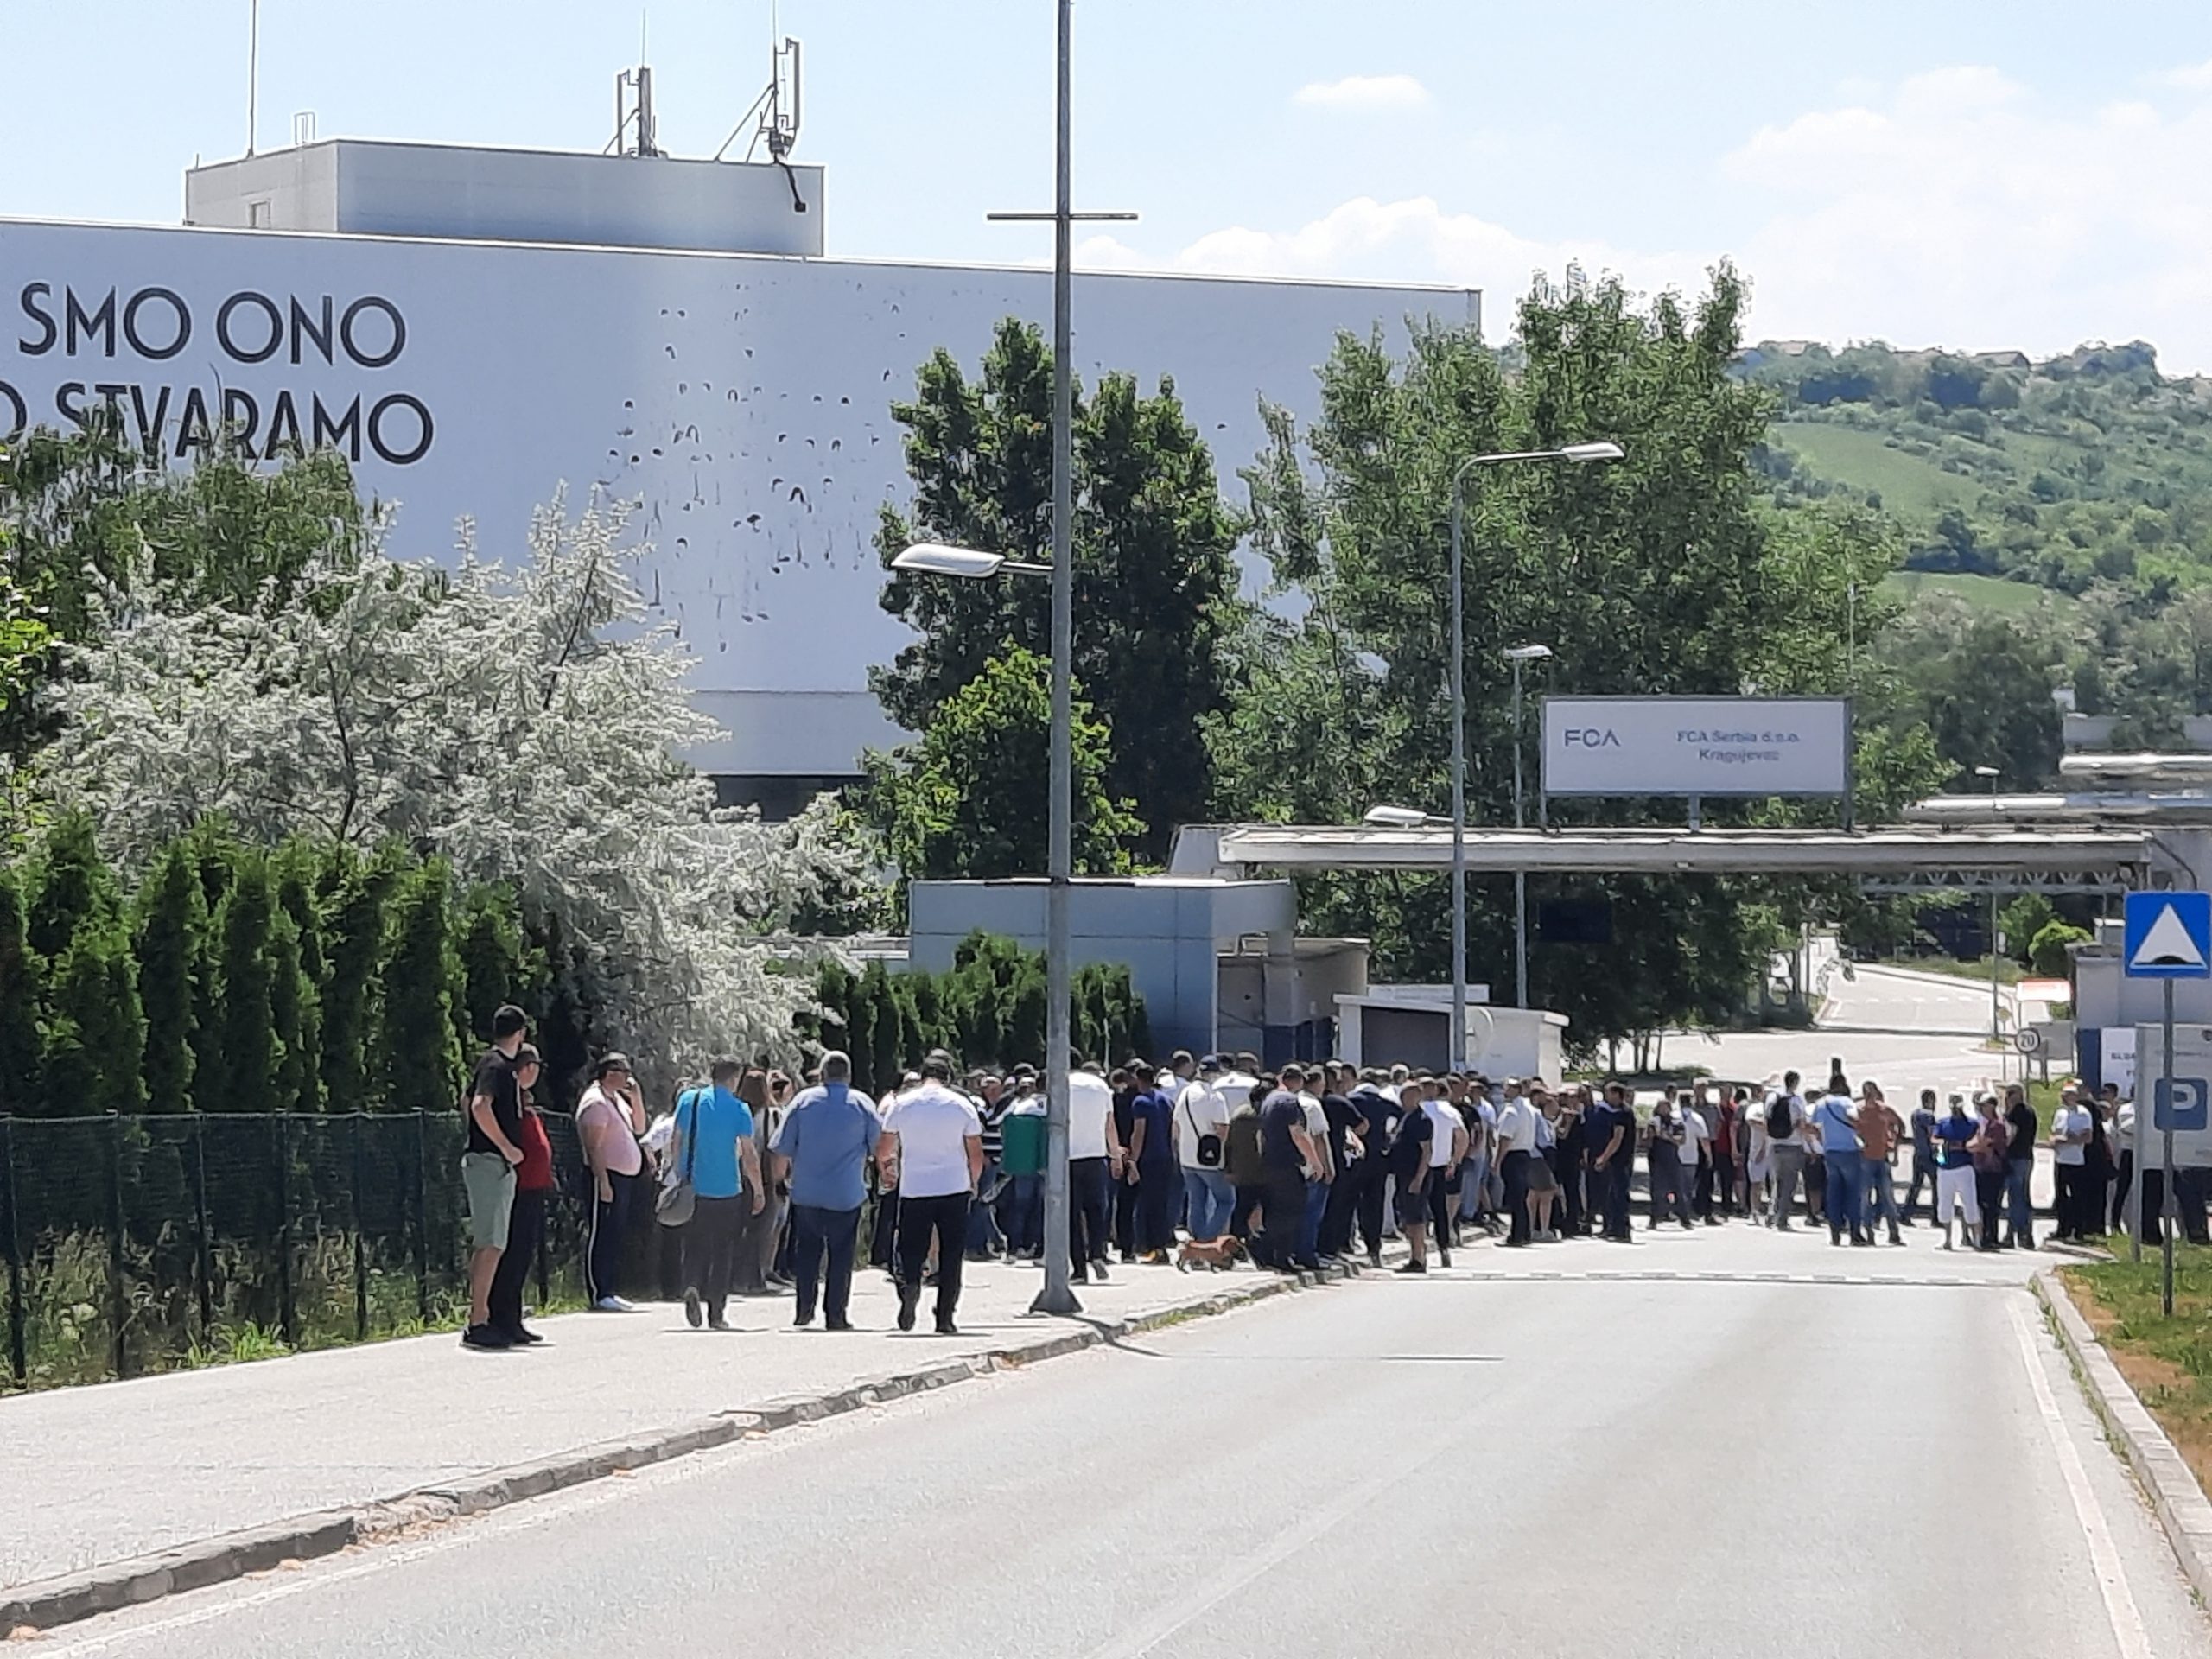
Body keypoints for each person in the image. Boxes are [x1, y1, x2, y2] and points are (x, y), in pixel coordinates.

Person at [772, 1049, 880, 1331]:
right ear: (848, 1075)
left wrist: (779, 1180)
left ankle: (804, 1309)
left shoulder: (802, 1101)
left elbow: (783, 1147)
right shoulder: (862, 1104)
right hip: (846, 1192)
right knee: (841, 1254)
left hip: (807, 1191)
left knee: (807, 1251)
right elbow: (877, 1146)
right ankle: (836, 1315)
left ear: (821, 1074)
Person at [878, 1050, 983, 1335]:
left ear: (922, 1076)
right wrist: (973, 1182)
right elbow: (975, 1153)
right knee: (951, 1254)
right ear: (947, 1077)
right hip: (953, 1188)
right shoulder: (961, 1105)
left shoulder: (902, 1104)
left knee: (910, 1247)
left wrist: (887, 1171)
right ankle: (945, 1317)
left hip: (915, 1188)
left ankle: (910, 1285)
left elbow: (886, 1147)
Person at [673, 1060, 766, 1332]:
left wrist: (680, 1173)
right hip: (727, 1188)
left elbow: (676, 1140)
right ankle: (716, 1313)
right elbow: (749, 1154)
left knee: (694, 1243)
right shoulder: (739, 1109)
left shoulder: (689, 1099)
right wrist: (758, 1189)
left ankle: (691, 1283)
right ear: (735, 1078)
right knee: (723, 1251)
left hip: (694, 1186)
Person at [460, 1004, 530, 1351]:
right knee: (491, 1243)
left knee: (490, 1242)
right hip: (491, 1162)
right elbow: (478, 1105)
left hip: (487, 1159)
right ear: (521, 1033)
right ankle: (477, 1322)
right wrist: (504, 1146)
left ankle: (482, 1313)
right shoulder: (497, 1065)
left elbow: (466, 1099)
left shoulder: (493, 1066)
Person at [486, 1043, 550, 1346]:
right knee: (511, 1254)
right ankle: (502, 1316)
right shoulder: (510, 1101)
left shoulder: (523, 1100)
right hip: (518, 1187)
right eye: (534, 1066)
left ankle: (513, 1316)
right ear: (527, 1068)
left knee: (523, 1255)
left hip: (533, 1187)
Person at [577, 1053, 647, 1311]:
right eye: (623, 1070)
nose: (628, 1076)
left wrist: (636, 1097)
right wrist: (602, 1181)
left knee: (615, 1234)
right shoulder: (595, 1103)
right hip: (605, 1175)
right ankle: (598, 1291)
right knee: (602, 1232)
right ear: (609, 1073)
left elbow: (639, 1127)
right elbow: (593, 1147)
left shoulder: (616, 1100)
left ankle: (610, 1288)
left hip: (623, 1177)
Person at [1066, 1058, 1124, 1283]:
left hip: (1068, 1158)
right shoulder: (1102, 1089)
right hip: (1096, 1156)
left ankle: (1079, 1268)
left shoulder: (1064, 1085)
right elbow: (1110, 1125)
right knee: (1097, 1210)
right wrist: (1116, 1156)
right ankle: (1098, 1253)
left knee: (1071, 1216)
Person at [1176, 1055, 1237, 1246]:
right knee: (1226, 1200)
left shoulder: (1185, 1093)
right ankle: (1206, 1241)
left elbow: (1176, 1125)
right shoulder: (1215, 1097)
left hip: (1187, 1157)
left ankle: (1195, 1244)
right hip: (1209, 1159)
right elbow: (1222, 1129)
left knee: (1196, 1202)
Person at [1348, 1070, 1403, 1265]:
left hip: (1354, 1157)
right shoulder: (1383, 1103)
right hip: (1378, 1157)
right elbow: (1401, 1114)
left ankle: (1348, 1241)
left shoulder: (1351, 1100)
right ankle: (1374, 1244)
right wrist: (1390, 1137)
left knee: (1349, 1200)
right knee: (1374, 1202)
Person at [1127, 1064, 1180, 1262]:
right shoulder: (1166, 1100)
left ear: (1138, 1079)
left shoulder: (1140, 1102)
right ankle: (1161, 1246)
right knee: (1161, 1204)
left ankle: (1149, 1246)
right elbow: (1173, 1130)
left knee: (1146, 1205)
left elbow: (1139, 1132)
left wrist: (1133, 1160)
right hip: (1165, 1157)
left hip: (1148, 1158)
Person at [1389, 1080, 1437, 1273]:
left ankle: (1418, 1257)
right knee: (1407, 1217)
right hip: (1403, 1173)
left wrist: (1419, 1178)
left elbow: (1426, 1151)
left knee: (1415, 1218)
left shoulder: (1422, 1119)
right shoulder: (1405, 1117)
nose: (1406, 1099)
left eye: (1411, 1095)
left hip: (1414, 1174)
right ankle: (1415, 1255)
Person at [1814, 1073, 1866, 1246]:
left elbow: (1813, 1126)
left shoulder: (1821, 1104)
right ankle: (1855, 1232)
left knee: (1834, 1194)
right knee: (1852, 1193)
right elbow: (1855, 1118)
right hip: (1849, 1151)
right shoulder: (1846, 1102)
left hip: (1830, 1152)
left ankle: (1835, 1233)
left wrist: (1823, 1140)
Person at [1422, 1077, 1471, 1265]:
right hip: (1441, 1165)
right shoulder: (1449, 1111)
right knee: (1440, 1209)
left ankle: (1419, 1250)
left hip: (1420, 1165)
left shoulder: (1417, 1110)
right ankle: (1444, 1248)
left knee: (1417, 1208)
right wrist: (1455, 1161)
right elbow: (1463, 1137)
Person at [1930, 1093, 1982, 1251]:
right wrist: (1948, 1145)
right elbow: (1934, 1139)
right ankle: (1947, 1239)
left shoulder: (1972, 1124)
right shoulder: (1942, 1123)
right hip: (1945, 1167)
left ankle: (1976, 1239)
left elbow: (1975, 1140)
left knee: (1970, 1204)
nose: (1955, 1109)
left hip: (1964, 1167)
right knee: (1945, 1205)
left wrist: (1964, 1145)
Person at [1855, 1079, 1904, 1246]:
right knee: (1864, 1198)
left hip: (1882, 1157)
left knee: (1888, 1198)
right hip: (1865, 1158)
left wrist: (1894, 1147)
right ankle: (1868, 1232)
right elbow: (1851, 1129)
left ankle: (1894, 1233)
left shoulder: (1885, 1110)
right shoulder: (1858, 1110)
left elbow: (1899, 1126)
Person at [1589, 1082, 1635, 1242]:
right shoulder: (1610, 1111)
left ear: (1617, 1094)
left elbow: (1617, 1138)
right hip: (1613, 1161)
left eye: (1608, 1093)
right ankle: (1611, 1227)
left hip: (1620, 1161)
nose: (1606, 1096)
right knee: (1609, 1195)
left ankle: (1621, 1229)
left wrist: (1604, 1157)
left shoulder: (1623, 1113)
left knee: (1619, 1195)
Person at [1494, 1082, 1539, 1246]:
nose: (1506, 1090)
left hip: (1512, 1155)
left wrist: (1497, 1161)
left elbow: (1506, 1139)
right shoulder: (1528, 1109)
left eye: (1510, 1088)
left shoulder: (1512, 1111)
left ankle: (1517, 1235)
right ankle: (1525, 1232)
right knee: (1521, 1196)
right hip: (1525, 1154)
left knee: (1515, 1197)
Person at [2049, 1084, 2093, 1243]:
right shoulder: (2060, 1113)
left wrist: (2069, 1140)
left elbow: (2087, 1138)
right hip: (2060, 1159)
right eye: (2065, 1095)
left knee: (2077, 1197)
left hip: (2076, 1160)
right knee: (2061, 1196)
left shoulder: (2083, 1114)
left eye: (2070, 1095)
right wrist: (2055, 1140)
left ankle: (2078, 1230)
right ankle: (2062, 1229)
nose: (2066, 1098)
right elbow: (2054, 1133)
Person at [1765, 1071, 1808, 1232]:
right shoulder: (1796, 1101)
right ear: (1795, 1082)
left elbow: (1766, 1119)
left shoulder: (1772, 1098)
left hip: (1774, 1144)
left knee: (1777, 1182)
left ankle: (1771, 1214)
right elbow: (1800, 1124)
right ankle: (1781, 1219)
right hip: (1792, 1144)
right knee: (1789, 1185)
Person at [1646, 1094, 1693, 1230]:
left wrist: (1666, 1137)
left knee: (1677, 1188)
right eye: (1661, 1107)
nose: (1663, 1110)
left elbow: (1681, 1140)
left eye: (1666, 1107)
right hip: (1657, 1159)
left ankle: (1684, 1218)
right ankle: (1654, 1219)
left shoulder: (1676, 1122)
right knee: (1657, 1190)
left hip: (1672, 1158)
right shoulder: (1654, 1121)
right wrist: (1653, 1134)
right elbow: (1647, 1139)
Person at [2003, 1084, 2039, 1249]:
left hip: (2016, 1157)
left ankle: (2019, 1233)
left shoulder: (2017, 1113)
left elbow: (2010, 1135)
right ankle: (2020, 1233)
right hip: (2026, 1156)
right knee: (2021, 1195)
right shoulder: (2030, 1112)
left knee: (2016, 1196)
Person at [1973, 1095, 2011, 1252]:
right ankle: (1983, 1236)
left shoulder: (1997, 1126)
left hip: (1994, 1169)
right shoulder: (1981, 1124)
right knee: (1982, 1203)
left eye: (1985, 1105)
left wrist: (1976, 1145)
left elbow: (1984, 1144)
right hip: (1981, 1168)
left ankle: (1990, 1237)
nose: (1982, 1108)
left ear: (1992, 1106)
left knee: (1991, 1204)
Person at [1903, 1089, 1939, 1225]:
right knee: (1936, 1186)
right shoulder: (1929, 1116)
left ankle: (1907, 1213)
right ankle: (1936, 1217)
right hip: (1929, 1155)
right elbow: (1933, 1137)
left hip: (1918, 1153)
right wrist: (1941, 1157)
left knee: (1916, 1185)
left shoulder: (1915, 1114)